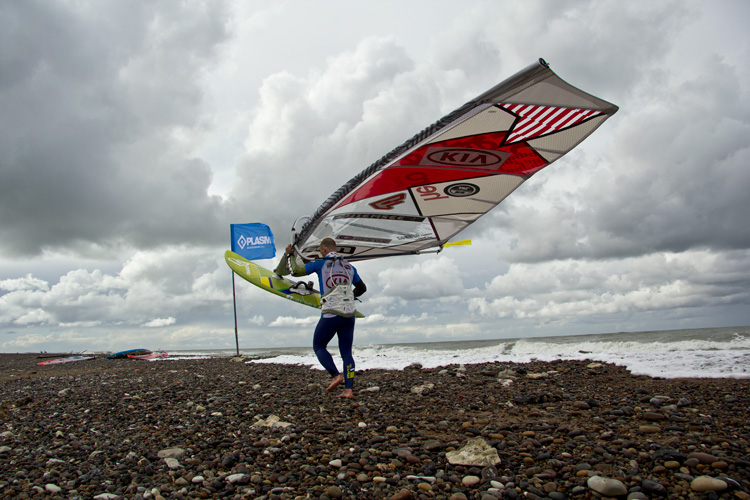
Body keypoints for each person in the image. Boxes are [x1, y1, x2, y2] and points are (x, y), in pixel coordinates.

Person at [275, 238, 366, 398]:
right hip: (349, 314)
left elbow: (295, 271)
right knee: (346, 353)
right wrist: (348, 295)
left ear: (324, 249)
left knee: (318, 346)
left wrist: (290, 255)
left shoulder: (321, 263)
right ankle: (348, 390)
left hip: (331, 313)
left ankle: (335, 376)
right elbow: (362, 288)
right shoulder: (349, 267)